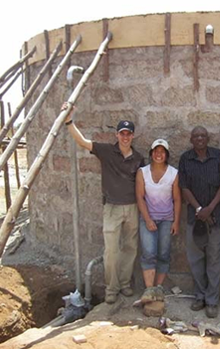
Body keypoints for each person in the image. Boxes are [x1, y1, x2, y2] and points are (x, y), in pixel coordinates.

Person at [62, 102, 144, 304]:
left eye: (128, 134)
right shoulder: (106, 151)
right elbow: (82, 142)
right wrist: (69, 121)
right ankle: (111, 288)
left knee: (130, 248)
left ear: (132, 136)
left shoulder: (139, 158)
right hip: (112, 208)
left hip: (132, 208)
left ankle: (124, 284)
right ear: (117, 135)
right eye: (122, 133)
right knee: (110, 250)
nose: (125, 137)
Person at [178, 126, 220, 318]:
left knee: (215, 259)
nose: (200, 138)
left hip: (216, 217)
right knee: (195, 259)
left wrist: (210, 208)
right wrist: (200, 210)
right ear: (191, 139)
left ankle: (212, 300)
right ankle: (199, 296)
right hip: (195, 218)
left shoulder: (218, 157)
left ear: (208, 138)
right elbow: (183, 187)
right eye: (196, 136)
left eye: (203, 135)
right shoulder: (185, 159)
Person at [135, 139, 181, 304]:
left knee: (163, 253)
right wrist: (147, 219)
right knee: (148, 253)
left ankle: (159, 287)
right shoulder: (143, 172)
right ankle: (149, 290)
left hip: (167, 219)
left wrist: (176, 222)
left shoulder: (173, 173)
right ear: (151, 153)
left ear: (167, 155)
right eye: (156, 151)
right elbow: (139, 197)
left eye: (162, 151)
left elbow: (177, 199)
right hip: (148, 218)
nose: (159, 154)